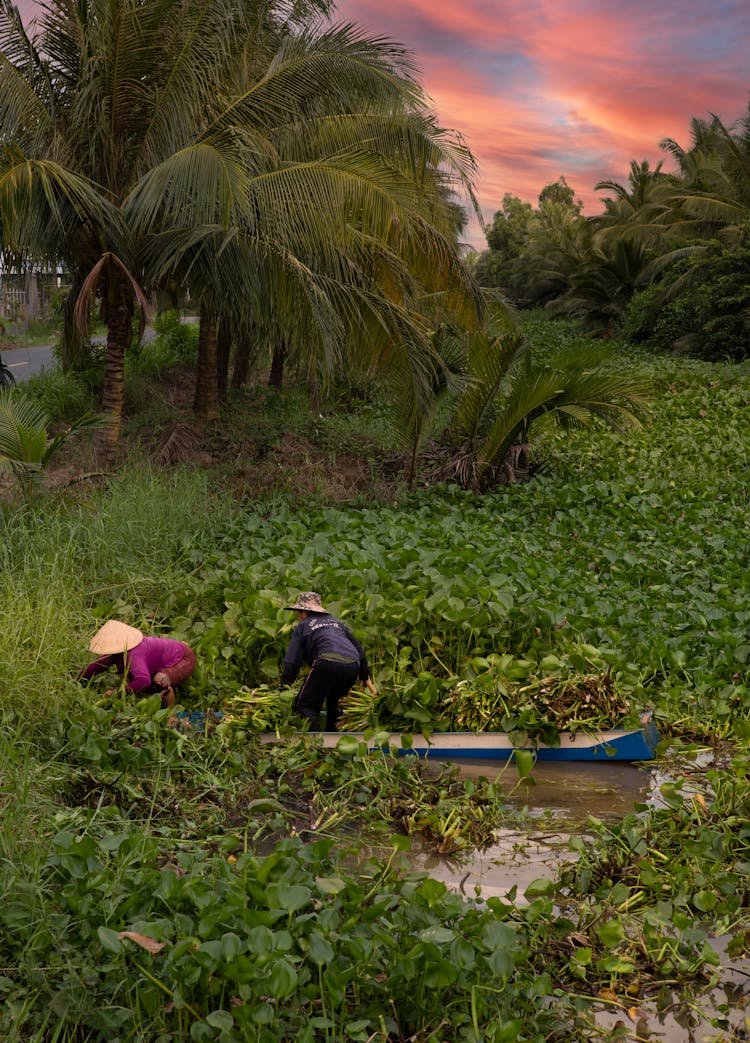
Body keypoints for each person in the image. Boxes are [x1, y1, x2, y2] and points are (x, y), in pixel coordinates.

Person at [280, 592, 377, 731]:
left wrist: (284, 685)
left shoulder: (303, 626)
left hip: (326, 661)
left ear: (303, 612)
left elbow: (292, 660)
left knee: (306, 705)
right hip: (351, 664)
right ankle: (334, 745)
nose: (298, 616)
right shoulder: (336, 623)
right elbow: (359, 650)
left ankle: (314, 747)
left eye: (298, 612)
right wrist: (364, 675)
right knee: (335, 705)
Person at [79, 620, 196, 709]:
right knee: (135, 679)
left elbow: (144, 680)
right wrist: (78, 679)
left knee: (160, 680)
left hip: (182, 658)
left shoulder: (134, 654)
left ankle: (171, 714)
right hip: (165, 657)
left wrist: (117, 692)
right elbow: (98, 665)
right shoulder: (118, 651)